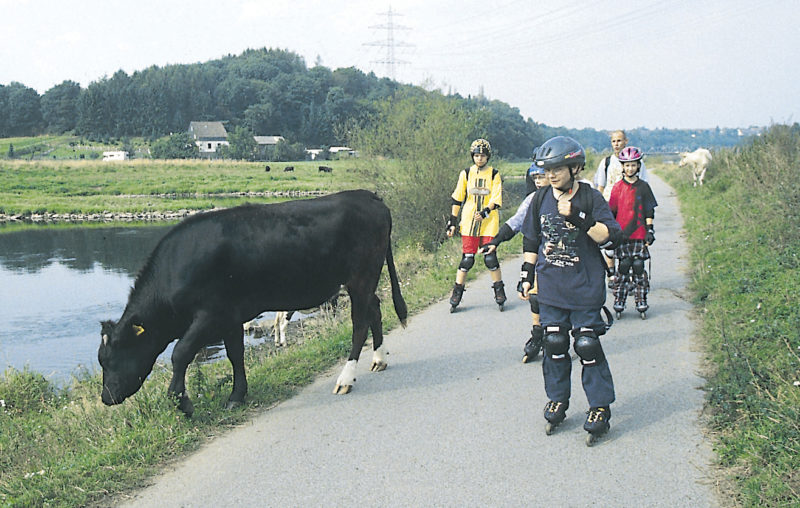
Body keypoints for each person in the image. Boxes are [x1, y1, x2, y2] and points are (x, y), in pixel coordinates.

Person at [518, 135, 622, 444]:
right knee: (554, 343)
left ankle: (600, 406)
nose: (550, 176)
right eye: (546, 169)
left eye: (557, 169)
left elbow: (610, 237)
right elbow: (531, 240)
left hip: (584, 288)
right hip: (551, 288)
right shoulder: (540, 199)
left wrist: (577, 216)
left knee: (587, 345)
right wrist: (526, 275)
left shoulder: (590, 198)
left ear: (574, 168)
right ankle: (558, 399)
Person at [482, 161, 549, 362]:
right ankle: (538, 336)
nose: (538, 182)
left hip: (567, 257)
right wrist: (496, 241)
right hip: (539, 255)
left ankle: (567, 335)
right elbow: (516, 222)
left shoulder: (569, 197)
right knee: (536, 297)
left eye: (541, 177)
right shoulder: (533, 199)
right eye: (535, 178)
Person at [445, 138, 506, 312]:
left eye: (483, 156)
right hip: (470, 220)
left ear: (488, 157)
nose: (479, 159)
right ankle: (457, 292)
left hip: (489, 221)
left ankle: (499, 291)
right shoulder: (466, 173)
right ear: (472, 156)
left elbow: (496, 197)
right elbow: (458, 197)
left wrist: (486, 211)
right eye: (477, 155)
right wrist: (452, 221)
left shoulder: (494, 174)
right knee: (467, 259)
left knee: (490, 257)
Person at [608, 146, 658, 319]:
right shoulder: (617, 187)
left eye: (633, 165)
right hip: (622, 235)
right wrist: (610, 232)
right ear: (622, 167)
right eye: (627, 165)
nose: (630, 168)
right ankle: (619, 299)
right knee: (623, 267)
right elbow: (611, 212)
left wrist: (650, 230)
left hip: (639, 233)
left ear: (638, 166)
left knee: (638, 267)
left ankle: (640, 298)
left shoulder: (644, 187)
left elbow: (649, 210)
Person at [593, 130, 649, 283]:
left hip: (631, 208)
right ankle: (612, 274)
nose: (616, 144)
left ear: (626, 141)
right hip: (610, 207)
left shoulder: (637, 162)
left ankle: (631, 276)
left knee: (629, 243)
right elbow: (601, 186)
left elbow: (643, 185)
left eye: (619, 141)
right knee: (609, 242)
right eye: (613, 141)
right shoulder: (606, 163)